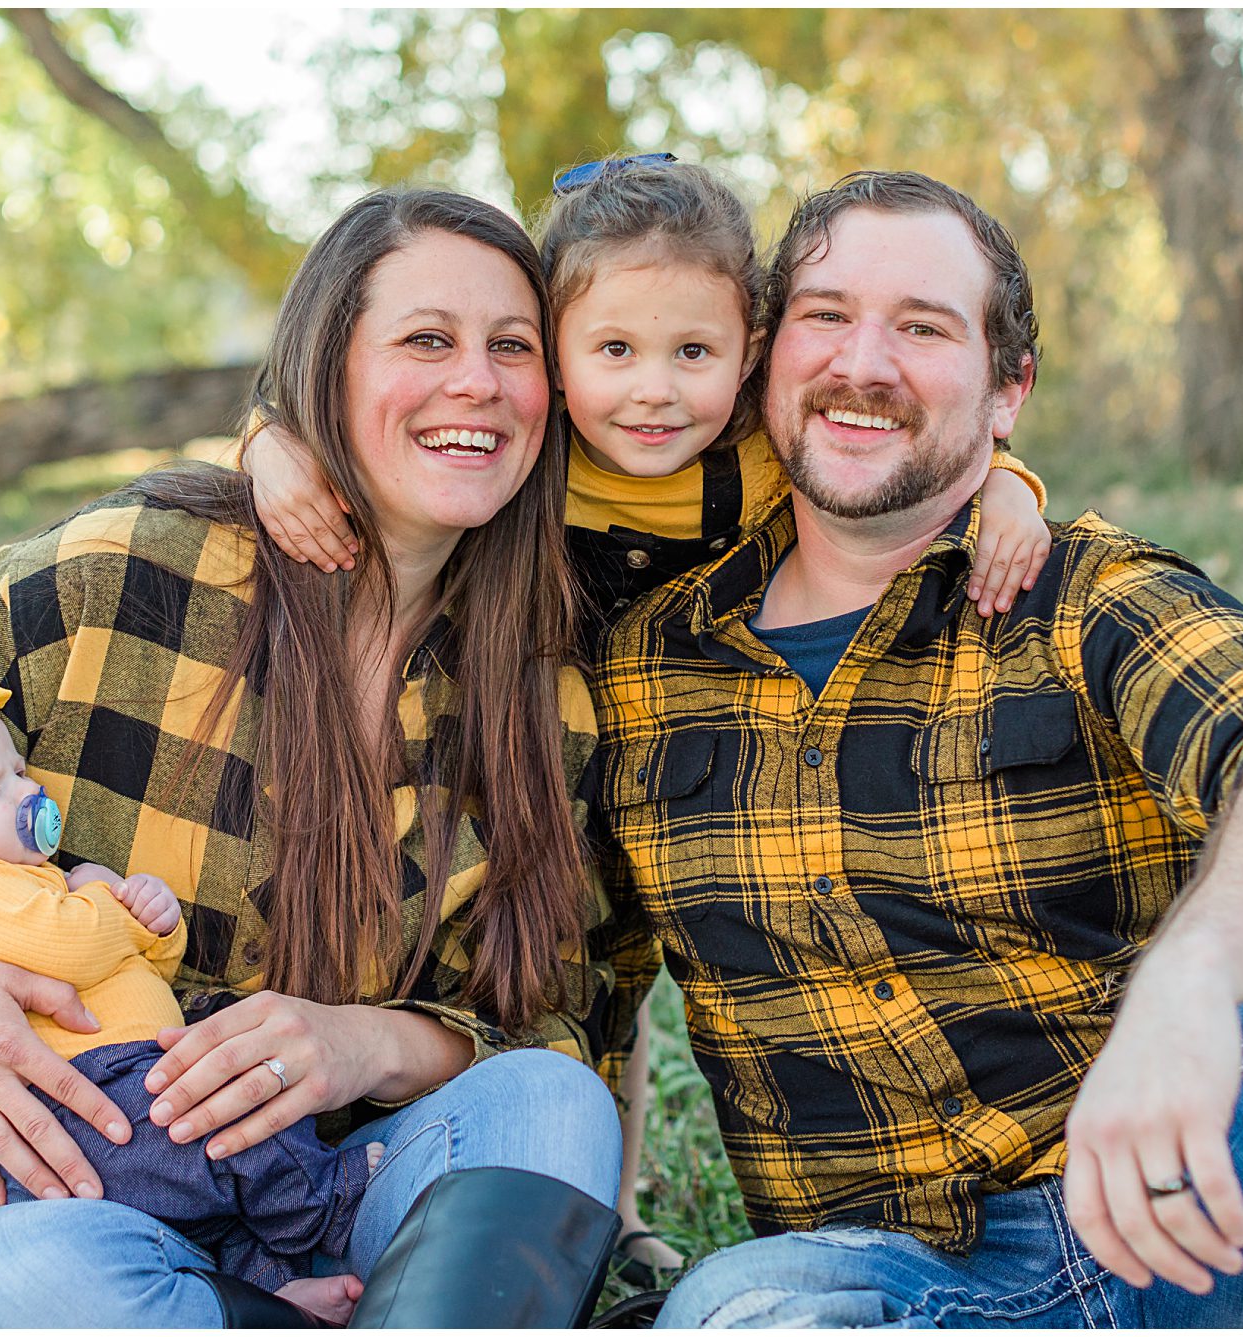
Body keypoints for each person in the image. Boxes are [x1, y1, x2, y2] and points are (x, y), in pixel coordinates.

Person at [590, 170, 1243, 1328]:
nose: (862, 362)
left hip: (1206, 1226)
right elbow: (585, 977)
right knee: (732, 1305)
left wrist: (1191, 978)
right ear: (767, 355)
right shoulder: (636, 666)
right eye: (825, 315)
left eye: (922, 327)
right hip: (900, 1283)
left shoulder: (1081, 595)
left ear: (1006, 389)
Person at [0, 187, 624, 1327]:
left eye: (509, 348)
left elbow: (547, 1019)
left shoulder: (542, 688)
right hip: (93, 1200)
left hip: (345, 1193)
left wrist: (351, 1043)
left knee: (551, 1101)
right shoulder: (119, 575)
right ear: (326, 366)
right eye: (426, 338)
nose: (474, 379)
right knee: (4, 1287)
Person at [241, 156, 1055, 1275]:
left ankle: (614, 1213)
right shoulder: (528, 443)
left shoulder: (764, 458)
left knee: (650, 957)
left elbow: (924, 452)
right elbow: (316, 415)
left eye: (694, 354)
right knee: (572, 963)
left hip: (686, 732)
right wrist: (261, 443)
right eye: (613, 351)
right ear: (556, 352)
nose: (653, 393)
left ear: (751, 352)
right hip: (538, 721)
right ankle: (567, 1195)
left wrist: (1011, 484)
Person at [0, 661, 381, 1318]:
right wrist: (108, 898)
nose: (27, 793)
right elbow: (65, 943)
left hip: (113, 1092)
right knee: (232, 1121)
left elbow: (141, 962)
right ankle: (336, 1203)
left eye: (19, 771)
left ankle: (266, 1298)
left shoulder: (28, 873)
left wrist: (149, 918)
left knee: (214, 1198)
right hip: (87, 1094)